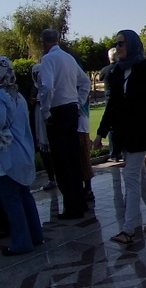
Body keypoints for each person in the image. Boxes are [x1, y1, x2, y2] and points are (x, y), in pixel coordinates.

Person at [94, 31, 146, 245]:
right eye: (116, 43)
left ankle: (128, 229)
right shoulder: (117, 71)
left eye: (122, 43)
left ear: (132, 44)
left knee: (131, 177)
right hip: (124, 133)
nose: (118, 47)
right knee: (139, 177)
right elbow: (113, 105)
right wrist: (100, 132)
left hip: (141, 133)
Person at [38, 28, 90, 219]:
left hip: (57, 111)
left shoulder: (48, 60)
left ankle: (72, 207)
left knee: (61, 161)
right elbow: (85, 82)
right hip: (70, 110)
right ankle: (80, 201)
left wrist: (45, 111)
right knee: (74, 157)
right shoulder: (69, 58)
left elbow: (47, 86)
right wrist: (78, 101)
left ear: (44, 43)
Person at [0, 57, 45, 255]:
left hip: (9, 158)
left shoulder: (2, 97)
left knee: (11, 200)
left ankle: (20, 243)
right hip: (24, 154)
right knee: (25, 197)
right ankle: (35, 235)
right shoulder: (17, 95)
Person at [28, 64, 56, 190]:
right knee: (44, 151)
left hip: (49, 120)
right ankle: (51, 178)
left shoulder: (50, 86)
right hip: (38, 122)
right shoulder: (33, 87)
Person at [98, 47, 122, 161]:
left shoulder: (105, 70)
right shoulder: (121, 68)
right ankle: (121, 151)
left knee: (111, 128)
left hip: (109, 100)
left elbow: (100, 77)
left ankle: (114, 153)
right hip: (121, 100)